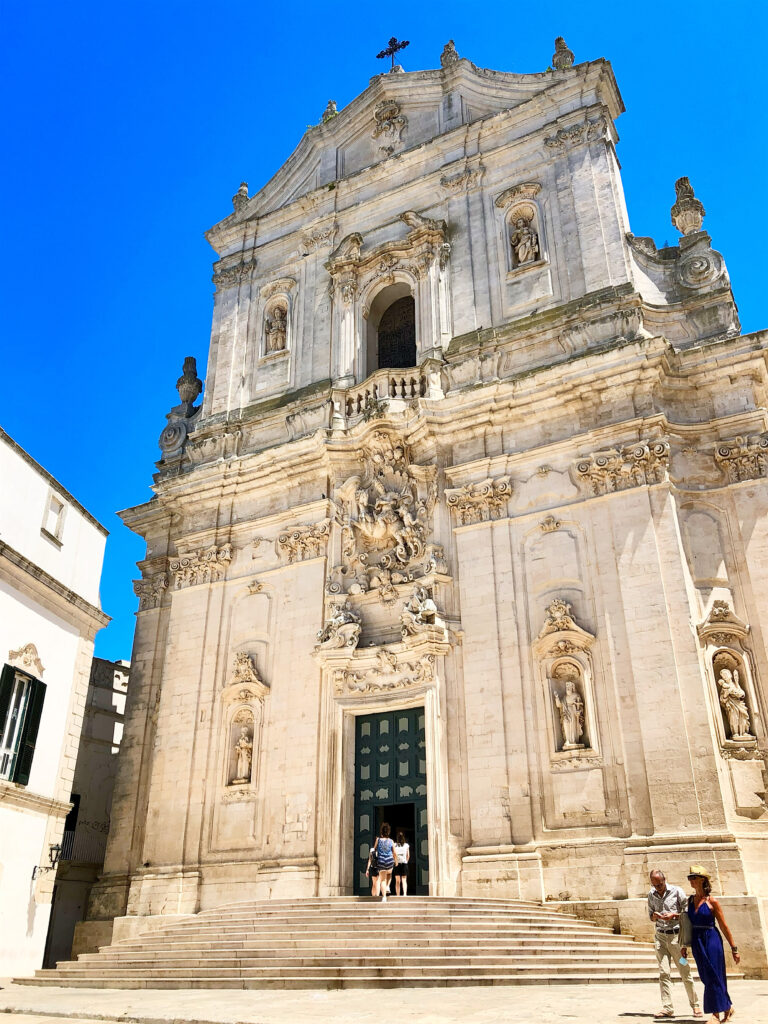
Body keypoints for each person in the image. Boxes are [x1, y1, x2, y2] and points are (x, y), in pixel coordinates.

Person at [680, 865, 740, 1022]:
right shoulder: (691, 900)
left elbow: (723, 925)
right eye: (689, 878)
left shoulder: (713, 901)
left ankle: (715, 1014)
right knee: (706, 976)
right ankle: (727, 1007)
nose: (690, 881)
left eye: (693, 877)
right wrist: (684, 946)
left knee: (714, 974)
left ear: (702, 880)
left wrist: (734, 948)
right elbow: (687, 925)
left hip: (711, 938)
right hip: (697, 940)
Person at [647, 869, 702, 1019]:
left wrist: (673, 915)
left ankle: (695, 1005)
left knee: (685, 970)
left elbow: (687, 913)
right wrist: (655, 916)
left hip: (677, 938)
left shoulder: (677, 892)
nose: (658, 888)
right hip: (660, 938)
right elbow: (650, 916)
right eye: (655, 885)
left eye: (660, 884)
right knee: (664, 973)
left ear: (665, 880)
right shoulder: (651, 895)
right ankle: (667, 1007)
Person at [372, 822, 395, 903]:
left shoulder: (378, 840)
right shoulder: (391, 841)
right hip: (389, 861)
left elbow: (374, 850)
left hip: (381, 861)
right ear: (388, 832)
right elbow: (394, 852)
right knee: (389, 873)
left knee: (382, 880)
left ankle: (384, 897)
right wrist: (396, 861)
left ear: (381, 832)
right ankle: (388, 886)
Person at [393, 831, 410, 896]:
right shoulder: (406, 845)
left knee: (397, 881)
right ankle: (405, 894)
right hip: (404, 863)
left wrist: (395, 861)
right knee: (404, 880)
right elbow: (408, 855)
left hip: (397, 864)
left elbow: (393, 855)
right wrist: (406, 861)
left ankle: (398, 895)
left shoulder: (394, 845)